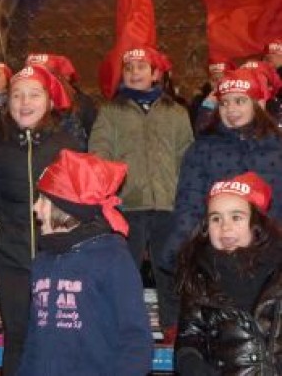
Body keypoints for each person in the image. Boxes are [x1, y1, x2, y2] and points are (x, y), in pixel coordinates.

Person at [0, 65, 81, 375]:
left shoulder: (66, 144)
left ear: (49, 101)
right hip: (10, 257)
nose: (24, 102)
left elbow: (82, 204)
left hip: (58, 257)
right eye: (17, 95)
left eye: (33, 94)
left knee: (57, 338)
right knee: (17, 337)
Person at [89, 46, 194, 343]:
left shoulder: (176, 112)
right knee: (125, 270)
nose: (135, 73)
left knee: (170, 267)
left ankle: (174, 328)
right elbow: (99, 151)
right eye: (129, 68)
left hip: (168, 203)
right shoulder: (110, 111)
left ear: (156, 74)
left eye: (141, 67)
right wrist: (111, 189)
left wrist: (184, 197)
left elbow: (187, 156)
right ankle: (127, 328)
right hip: (127, 204)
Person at [16, 150, 154, 376]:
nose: (35, 208)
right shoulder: (42, 262)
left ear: (65, 209)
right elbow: (33, 340)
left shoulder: (111, 258)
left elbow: (135, 338)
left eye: (43, 200)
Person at [164, 68, 282, 270]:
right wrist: (179, 250)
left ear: (259, 103)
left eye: (240, 101)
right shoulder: (202, 149)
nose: (230, 109)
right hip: (218, 253)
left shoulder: (278, 147)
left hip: (272, 254)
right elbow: (189, 203)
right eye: (224, 103)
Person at [175, 171, 282, 375]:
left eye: (236, 217)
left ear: (256, 223)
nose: (225, 227)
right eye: (216, 219)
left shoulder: (277, 269)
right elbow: (189, 338)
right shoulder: (200, 276)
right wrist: (193, 365)